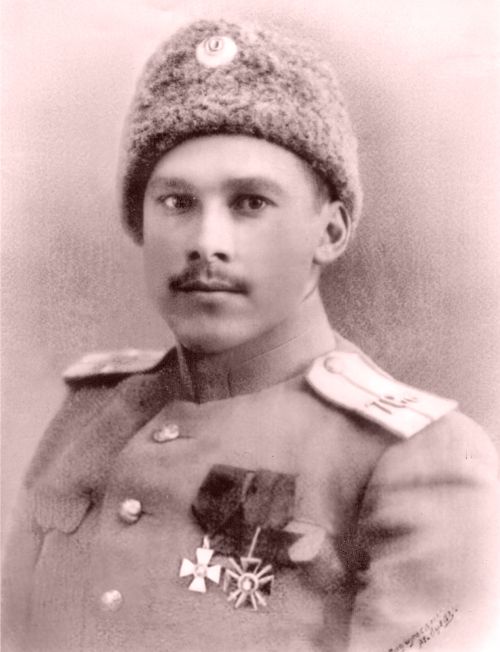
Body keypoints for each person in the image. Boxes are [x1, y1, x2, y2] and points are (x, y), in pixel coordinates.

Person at [2, 18, 499, 652]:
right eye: (177, 202)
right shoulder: (89, 414)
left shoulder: (419, 461)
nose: (206, 243)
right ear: (140, 223)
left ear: (330, 232)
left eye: (250, 203)